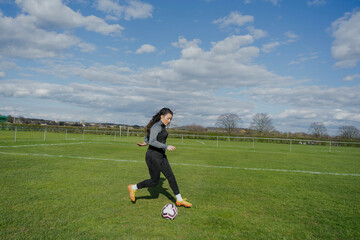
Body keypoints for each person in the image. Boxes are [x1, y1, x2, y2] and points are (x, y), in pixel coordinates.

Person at [128, 108, 192, 208]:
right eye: (168, 118)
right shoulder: (156, 126)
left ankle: (179, 200)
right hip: (153, 156)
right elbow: (153, 141)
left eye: (171, 119)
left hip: (161, 156)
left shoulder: (161, 126)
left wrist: (145, 141)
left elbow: (149, 136)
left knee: (171, 177)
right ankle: (133, 187)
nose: (169, 121)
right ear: (162, 116)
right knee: (154, 181)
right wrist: (166, 146)